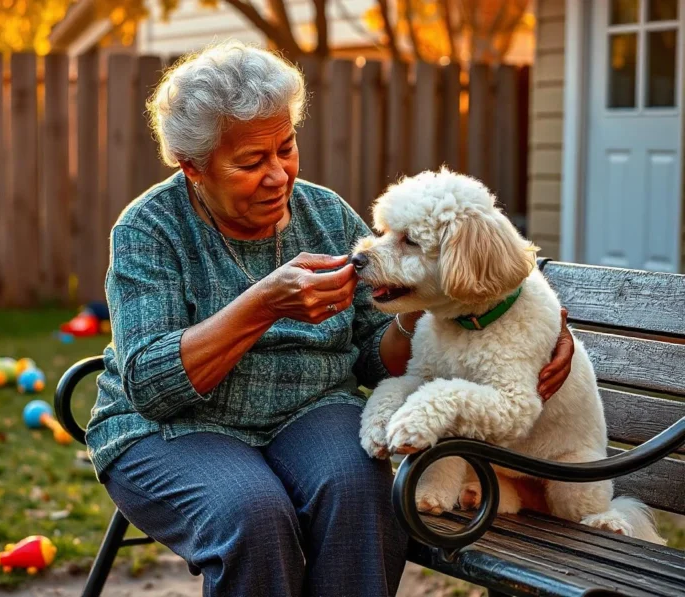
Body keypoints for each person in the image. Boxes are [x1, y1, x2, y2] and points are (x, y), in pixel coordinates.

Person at [84, 41, 574, 597]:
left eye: (286, 148)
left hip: (310, 409)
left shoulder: (326, 213)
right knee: (252, 515)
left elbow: (374, 354)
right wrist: (263, 303)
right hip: (174, 429)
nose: (279, 176)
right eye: (251, 162)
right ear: (193, 167)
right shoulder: (149, 230)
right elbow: (152, 387)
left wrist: (430, 306)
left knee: (363, 496)